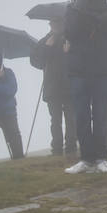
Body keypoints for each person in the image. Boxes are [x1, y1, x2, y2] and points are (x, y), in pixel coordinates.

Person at [62, 0, 107, 174]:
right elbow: (70, 31)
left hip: (102, 69)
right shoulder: (73, 7)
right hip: (79, 69)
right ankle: (86, 158)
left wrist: (103, 10)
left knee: (101, 114)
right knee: (81, 114)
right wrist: (81, 4)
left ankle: (101, 157)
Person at [30, 18, 76, 157]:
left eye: (58, 23)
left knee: (71, 118)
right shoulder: (45, 41)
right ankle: (56, 148)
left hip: (69, 85)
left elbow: (80, 60)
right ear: (50, 25)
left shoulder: (71, 38)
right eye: (53, 23)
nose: (55, 25)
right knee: (55, 119)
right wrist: (47, 47)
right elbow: (36, 62)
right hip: (52, 87)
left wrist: (69, 51)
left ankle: (71, 146)